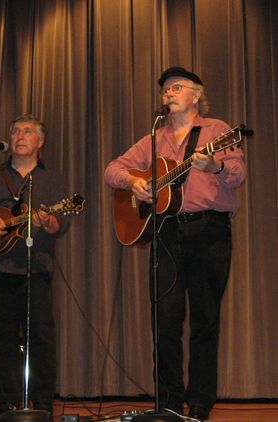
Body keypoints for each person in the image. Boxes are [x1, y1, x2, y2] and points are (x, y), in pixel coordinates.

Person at [104, 67, 247, 421]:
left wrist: (214, 167)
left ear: (195, 95)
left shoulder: (218, 131)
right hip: (166, 233)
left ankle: (200, 404)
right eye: (165, 89)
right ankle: (167, 402)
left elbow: (238, 174)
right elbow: (112, 170)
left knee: (204, 321)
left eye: (176, 87)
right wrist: (134, 183)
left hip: (208, 232)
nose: (168, 92)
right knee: (164, 321)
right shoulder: (154, 137)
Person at [0, 114, 68, 416]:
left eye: (28, 131)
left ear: (40, 142)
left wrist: (47, 221)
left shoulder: (53, 180)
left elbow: (62, 223)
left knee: (42, 337)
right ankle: (6, 400)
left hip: (37, 269)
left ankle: (43, 402)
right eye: (15, 131)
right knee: (0, 338)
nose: (20, 136)